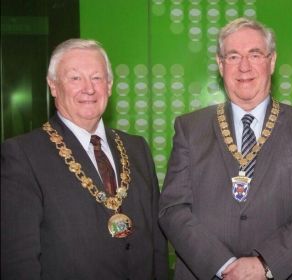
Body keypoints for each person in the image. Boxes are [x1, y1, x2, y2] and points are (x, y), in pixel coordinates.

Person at [159, 17, 292, 280]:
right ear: (220, 64)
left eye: (255, 54)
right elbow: (173, 208)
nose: (244, 67)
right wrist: (222, 264)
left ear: (271, 61)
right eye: (232, 56)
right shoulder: (189, 128)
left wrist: (264, 263)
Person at [1, 39, 169, 279]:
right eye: (75, 78)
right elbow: (18, 261)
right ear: (53, 86)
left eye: (97, 78)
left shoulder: (137, 148)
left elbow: (157, 244)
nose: (88, 89)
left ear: (109, 86)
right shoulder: (23, 155)